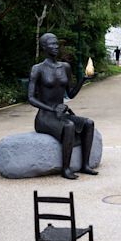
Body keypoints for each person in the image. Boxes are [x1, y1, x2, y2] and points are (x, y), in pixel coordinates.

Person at [28, 33, 98, 180]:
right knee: (69, 126)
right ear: (43, 47)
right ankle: (65, 169)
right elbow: (31, 98)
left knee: (88, 123)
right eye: (51, 44)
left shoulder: (65, 67)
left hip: (61, 114)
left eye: (56, 44)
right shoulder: (38, 69)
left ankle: (85, 165)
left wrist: (83, 80)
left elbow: (70, 94)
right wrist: (52, 109)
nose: (55, 47)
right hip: (45, 117)